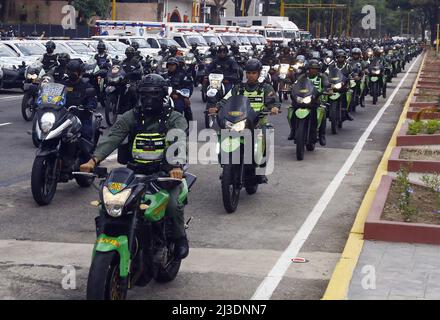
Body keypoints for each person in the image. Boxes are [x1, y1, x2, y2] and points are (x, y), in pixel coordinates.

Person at [79, 74, 190, 260]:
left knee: (172, 204)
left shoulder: (174, 118)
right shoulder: (130, 116)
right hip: (133, 172)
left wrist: (175, 166)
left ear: (162, 95)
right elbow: (113, 137)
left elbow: (179, 140)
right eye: (145, 94)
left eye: (153, 94)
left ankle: (179, 238)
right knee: (109, 201)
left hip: (164, 174)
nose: (148, 99)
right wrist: (93, 160)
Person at [210, 59, 280, 183]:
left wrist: (274, 108)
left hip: (258, 123)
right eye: (248, 72)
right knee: (223, 136)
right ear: (245, 74)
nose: (251, 75)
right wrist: (217, 107)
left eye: (253, 73)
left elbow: (273, 101)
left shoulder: (265, 87)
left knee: (265, 137)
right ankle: (226, 166)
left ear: (259, 74)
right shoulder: (238, 88)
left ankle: (260, 170)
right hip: (239, 122)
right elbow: (226, 100)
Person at [288, 59, 329, 145]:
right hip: (302, 99)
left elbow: (326, 85)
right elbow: (295, 84)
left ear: (318, 69)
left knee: (323, 111)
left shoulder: (322, 77)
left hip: (316, 100)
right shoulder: (303, 76)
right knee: (291, 109)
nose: (313, 70)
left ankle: (322, 135)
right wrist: (291, 88)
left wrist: (327, 89)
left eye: (315, 69)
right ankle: (293, 130)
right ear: (308, 69)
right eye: (311, 68)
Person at [63, 60, 97, 145]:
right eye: (69, 71)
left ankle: (86, 156)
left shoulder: (86, 86)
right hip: (64, 115)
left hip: (81, 116)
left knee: (86, 134)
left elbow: (92, 100)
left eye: (73, 71)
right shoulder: (64, 84)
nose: (71, 73)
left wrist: (89, 106)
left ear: (79, 72)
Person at [163, 57, 193, 123]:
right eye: (169, 65)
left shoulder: (183, 75)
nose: (171, 67)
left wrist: (184, 96)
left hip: (179, 97)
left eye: (173, 65)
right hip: (165, 97)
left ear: (176, 66)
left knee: (183, 107)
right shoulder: (164, 76)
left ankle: (190, 128)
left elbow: (188, 87)